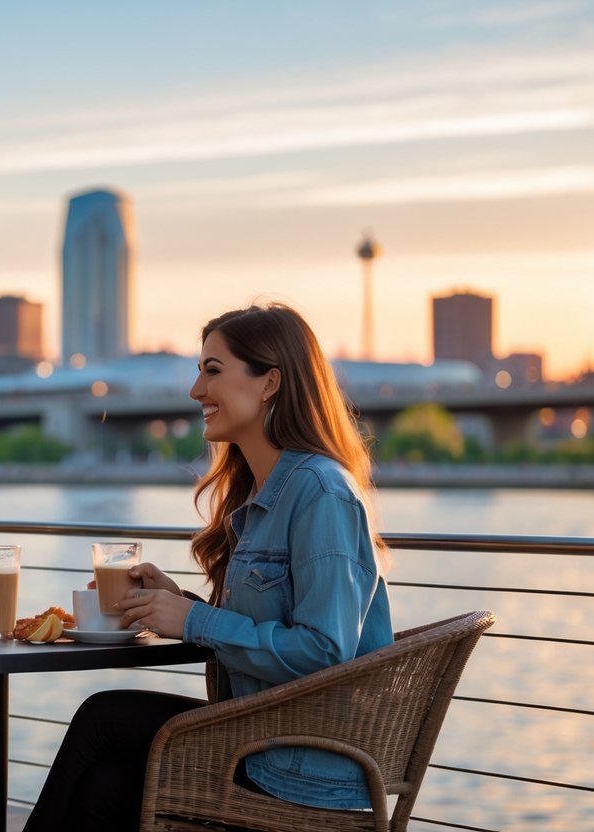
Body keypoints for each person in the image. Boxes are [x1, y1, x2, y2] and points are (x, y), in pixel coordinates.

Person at [23, 303, 394, 830]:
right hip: (260, 737)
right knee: (107, 784)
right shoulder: (267, 493)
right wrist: (176, 604)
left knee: (103, 718)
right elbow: (272, 630)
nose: (196, 391)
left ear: (270, 383)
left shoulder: (319, 492)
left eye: (212, 370)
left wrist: (194, 622)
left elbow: (325, 651)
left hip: (303, 760)